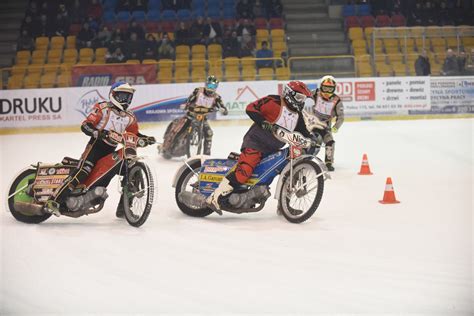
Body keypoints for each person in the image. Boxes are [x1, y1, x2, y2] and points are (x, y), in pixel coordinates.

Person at [44, 82, 156, 218]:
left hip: (111, 152)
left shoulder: (130, 116)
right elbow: (86, 125)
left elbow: (134, 134)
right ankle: (53, 201)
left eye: (128, 97)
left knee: (129, 171)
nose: (125, 100)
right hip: (95, 147)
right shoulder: (103, 108)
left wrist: (146, 138)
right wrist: (98, 133)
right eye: (122, 96)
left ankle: (123, 209)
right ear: (113, 95)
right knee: (82, 171)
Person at [206, 81, 313, 212]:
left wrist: (312, 139)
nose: (302, 102)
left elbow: (304, 133)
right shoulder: (273, 101)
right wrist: (263, 122)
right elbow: (251, 108)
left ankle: (284, 206)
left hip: (273, 149)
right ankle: (214, 197)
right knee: (244, 171)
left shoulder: (298, 116)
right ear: (290, 94)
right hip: (255, 143)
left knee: (289, 171)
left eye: (304, 99)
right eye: (300, 98)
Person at [183, 75, 228, 155]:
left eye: (213, 86)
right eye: (209, 85)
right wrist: (186, 104)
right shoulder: (198, 91)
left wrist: (223, 110)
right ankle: (171, 142)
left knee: (209, 133)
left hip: (203, 119)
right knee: (181, 129)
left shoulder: (216, 97)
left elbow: (224, 108)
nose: (211, 87)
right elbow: (189, 99)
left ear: (216, 87)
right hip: (191, 115)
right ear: (206, 84)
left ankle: (206, 155)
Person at [309, 75, 344, 172]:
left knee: (330, 142)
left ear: (334, 89)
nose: (327, 92)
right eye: (325, 88)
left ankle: (328, 162)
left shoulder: (337, 101)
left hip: (325, 127)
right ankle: (304, 157)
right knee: (312, 141)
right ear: (321, 87)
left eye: (330, 89)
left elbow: (341, 116)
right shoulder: (316, 93)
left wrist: (336, 127)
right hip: (312, 124)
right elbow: (305, 96)